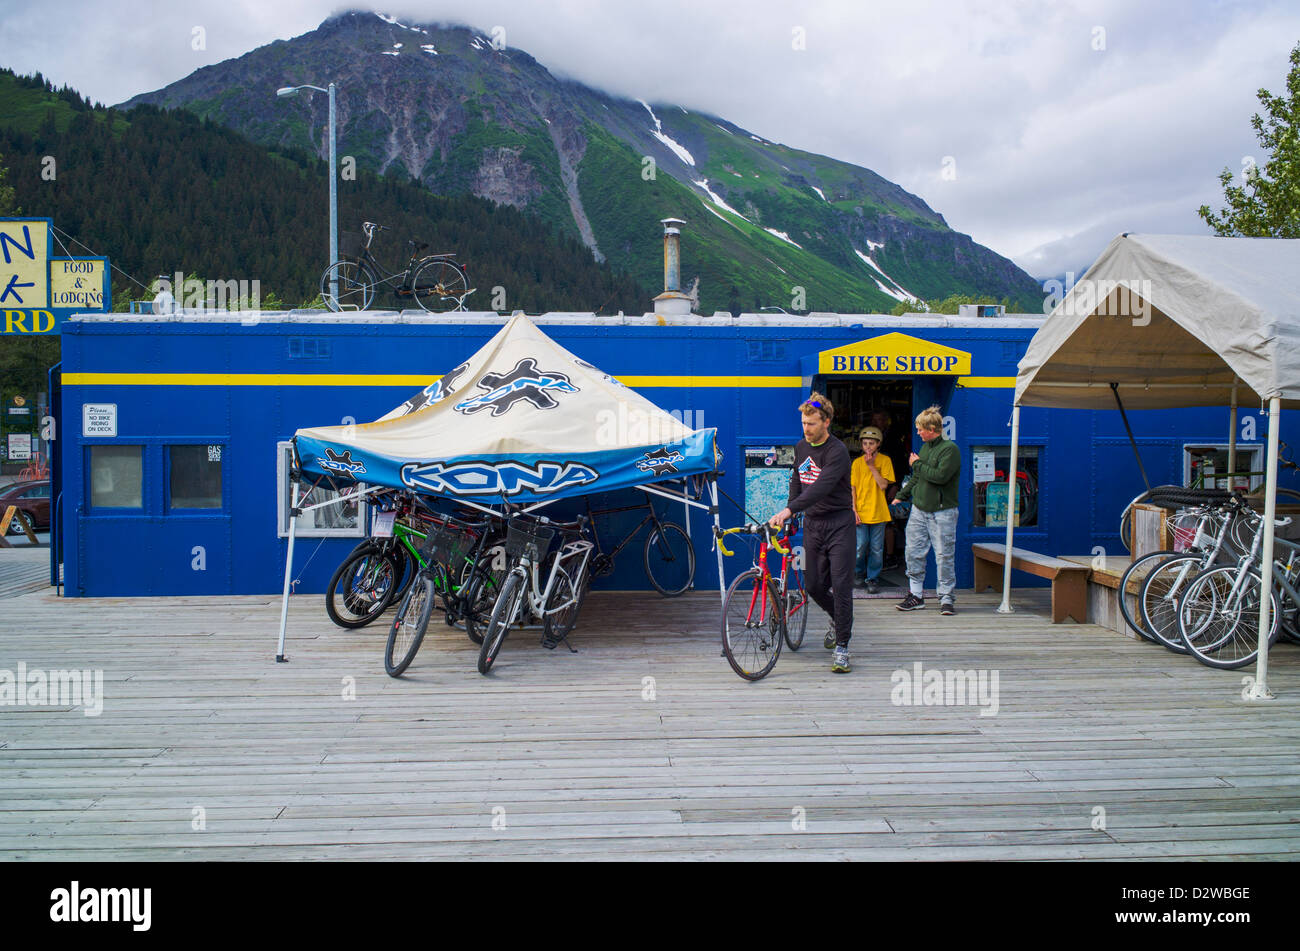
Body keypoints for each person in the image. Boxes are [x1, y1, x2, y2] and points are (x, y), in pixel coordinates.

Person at [769, 392, 856, 673]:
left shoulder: (837, 451)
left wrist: (789, 510)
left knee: (842, 586)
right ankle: (837, 617)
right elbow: (797, 480)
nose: (806, 428)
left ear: (826, 422)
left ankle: (842, 646)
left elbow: (821, 487)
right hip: (813, 526)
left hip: (840, 525)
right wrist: (792, 510)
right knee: (813, 585)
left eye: (812, 423)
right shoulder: (800, 447)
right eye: (804, 423)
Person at [895, 405, 961, 616]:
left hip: (942, 512)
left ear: (932, 428)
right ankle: (916, 595)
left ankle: (946, 598)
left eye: (920, 429)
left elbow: (940, 476)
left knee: (944, 555)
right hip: (919, 509)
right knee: (913, 552)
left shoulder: (950, 449)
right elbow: (919, 476)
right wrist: (902, 496)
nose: (918, 432)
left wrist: (917, 464)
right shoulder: (925, 448)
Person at [851, 426, 895, 594]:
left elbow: (884, 485)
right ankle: (858, 572)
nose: (867, 447)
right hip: (861, 511)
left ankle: (873, 578)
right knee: (860, 547)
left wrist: (871, 466)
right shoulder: (856, 463)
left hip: (879, 511)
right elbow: (852, 489)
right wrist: (853, 510)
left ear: (878, 444)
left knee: (877, 549)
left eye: (871, 443)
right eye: (864, 443)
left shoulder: (885, 461)